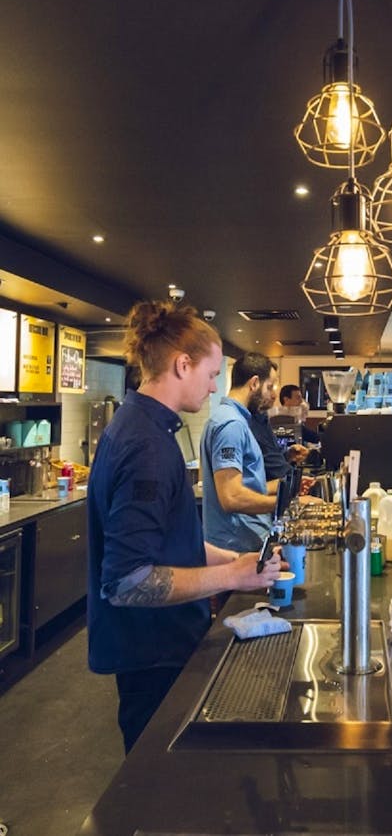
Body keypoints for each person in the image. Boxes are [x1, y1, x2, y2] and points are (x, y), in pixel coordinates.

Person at [87, 301, 282, 755]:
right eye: (212, 374)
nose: (215, 387)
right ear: (182, 364)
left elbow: (175, 546)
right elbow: (127, 581)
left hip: (161, 644)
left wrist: (236, 560)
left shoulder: (147, 427)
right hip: (152, 652)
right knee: (154, 793)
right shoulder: (145, 447)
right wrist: (233, 577)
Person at [201, 352, 280, 553]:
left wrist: (284, 488)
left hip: (245, 540)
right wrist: (283, 504)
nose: (271, 394)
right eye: (269, 386)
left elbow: (246, 483)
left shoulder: (234, 419)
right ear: (254, 383)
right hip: (237, 546)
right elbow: (231, 496)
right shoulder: (231, 424)